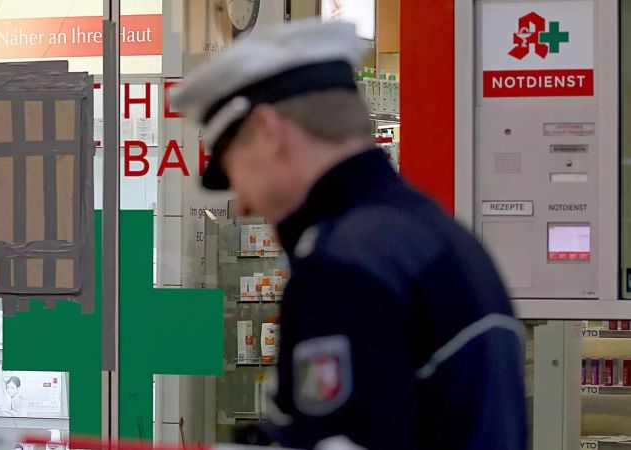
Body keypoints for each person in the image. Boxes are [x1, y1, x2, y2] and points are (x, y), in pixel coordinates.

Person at [174, 19, 527, 450]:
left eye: (233, 171)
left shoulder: (342, 267)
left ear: (269, 131)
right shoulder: (434, 237)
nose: (242, 204)